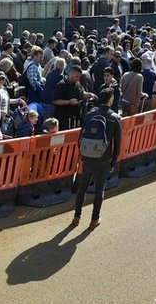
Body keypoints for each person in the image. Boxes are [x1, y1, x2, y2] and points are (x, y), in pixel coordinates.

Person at [73, 88, 123, 230]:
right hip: (103, 158)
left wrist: (83, 155)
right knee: (99, 189)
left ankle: (77, 216)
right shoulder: (114, 118)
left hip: (88, 156)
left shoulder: (89, 115)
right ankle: (94, 219)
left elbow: (80, 137)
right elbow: (117, 144)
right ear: (111, 99)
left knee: (82, 187)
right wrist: (113, 161)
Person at [53, 65, 94, 130]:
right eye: (77, 76)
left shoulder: (77, 84)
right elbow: (55, 101)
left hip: (75, 117)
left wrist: (89, 95)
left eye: (79, 77)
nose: (78, 79)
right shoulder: (61, 85)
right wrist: (69, 102)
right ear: (71, 74)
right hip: (64, 118)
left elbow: (82, 93)